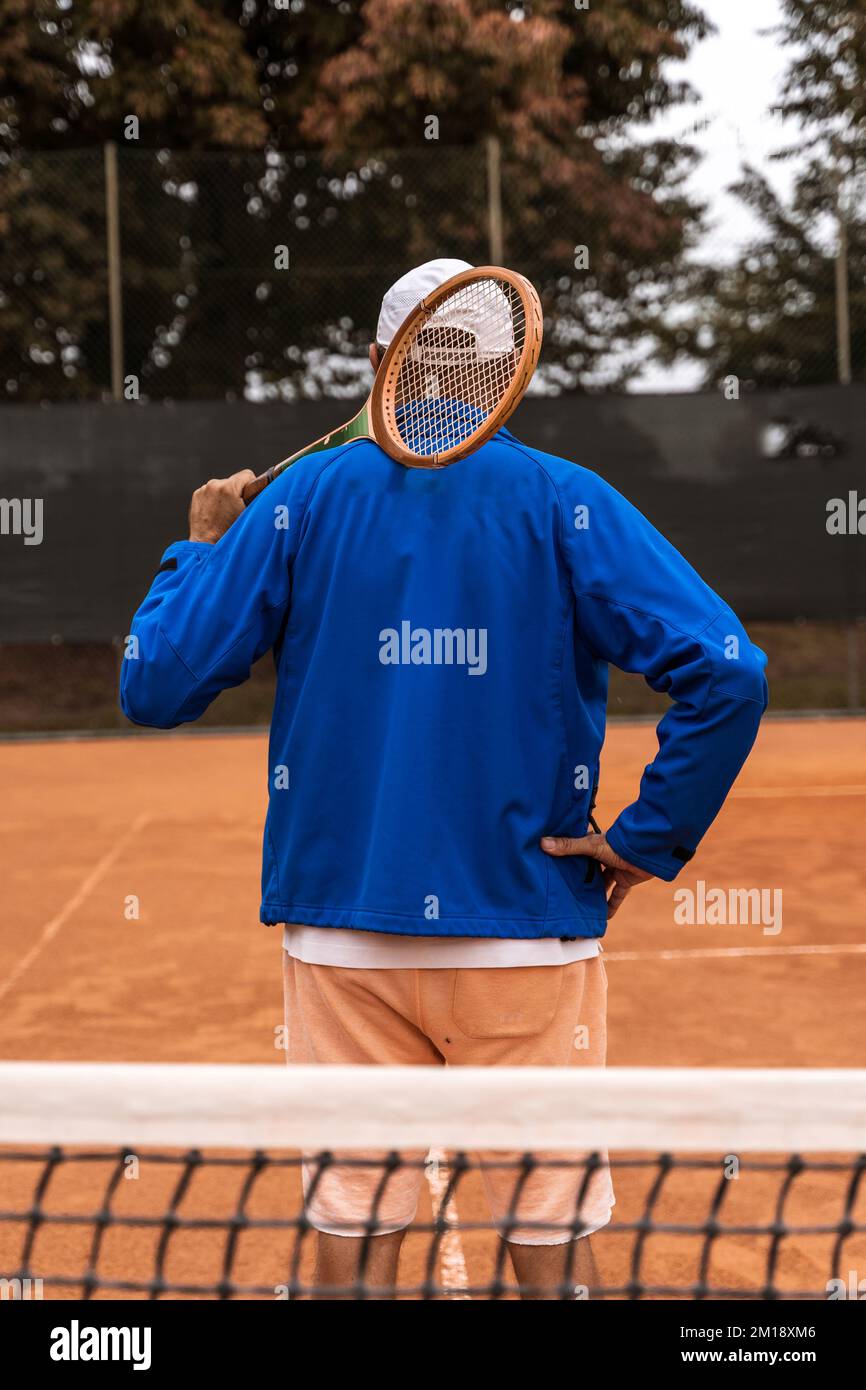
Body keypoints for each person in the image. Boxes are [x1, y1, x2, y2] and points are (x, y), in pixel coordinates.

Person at [120, 257, 768, 1299]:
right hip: (523, 934)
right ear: (498, 374)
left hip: (341, 940)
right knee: (546, 1246)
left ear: (377, 364)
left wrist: (198, 550)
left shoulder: (295, 506)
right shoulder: (565, 500)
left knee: (358, 1241)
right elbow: (728, 672)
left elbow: (153, 684)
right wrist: (647, 838)